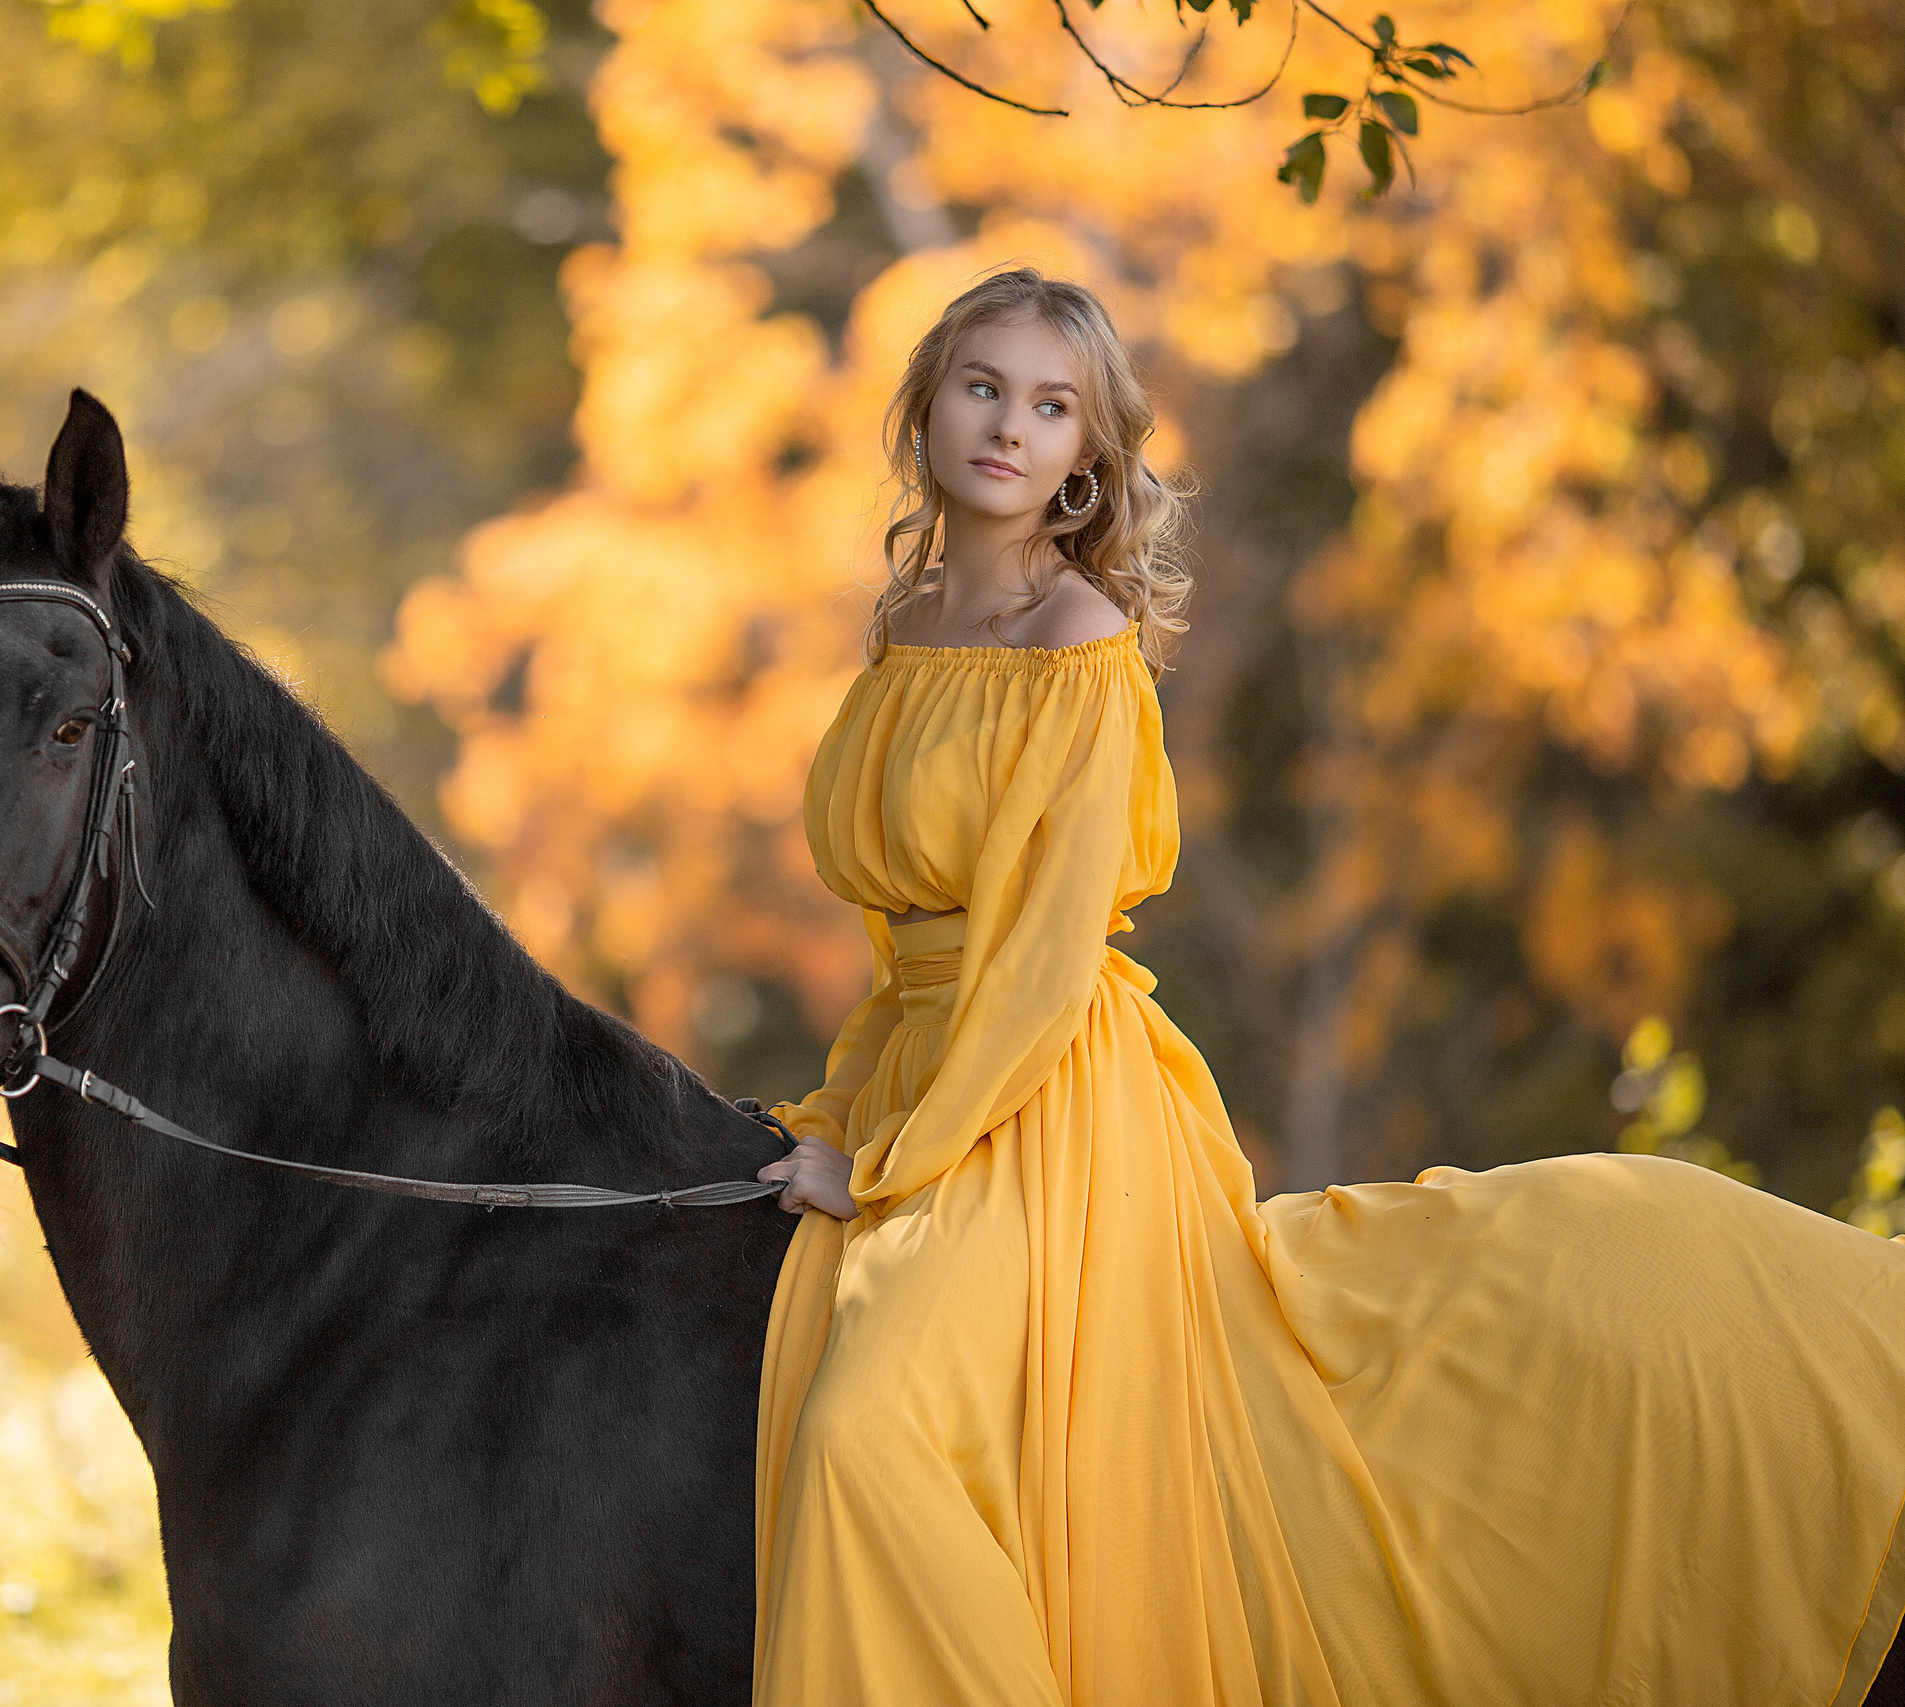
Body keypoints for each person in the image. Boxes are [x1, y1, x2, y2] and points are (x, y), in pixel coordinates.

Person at [746, 267, 1905, 1707]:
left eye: (1051, 408)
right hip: (929, 1071)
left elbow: (1037, 967)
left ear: (1088, 460)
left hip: (1042, 1104)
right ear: (926, 404)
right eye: (983, 388)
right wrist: (846, 1105)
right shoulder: (905, 626)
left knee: (870, 1433)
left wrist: (889, 1159)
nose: (1008, 429)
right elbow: (903, 945)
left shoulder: (1079, 650)